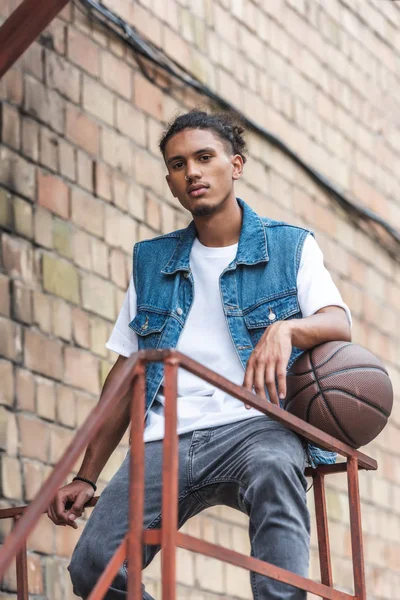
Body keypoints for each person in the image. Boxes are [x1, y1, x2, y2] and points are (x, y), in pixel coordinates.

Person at [48, 110, 352, 599]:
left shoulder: (290, 246)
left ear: (235, 165)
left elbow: (338, 321)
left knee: (277, 466)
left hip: (255, 426)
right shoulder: (152, 261)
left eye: (204, 158)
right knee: (93, 567)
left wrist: (286, 329)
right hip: (165, 437)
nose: (191, 171)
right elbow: (127, 369)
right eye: (177, 164)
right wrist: (86, 474)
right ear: (169, 180)